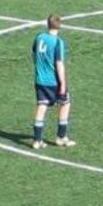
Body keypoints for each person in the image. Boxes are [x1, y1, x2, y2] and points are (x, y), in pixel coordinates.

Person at [31, 14, 73, 150]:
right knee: (65, 103)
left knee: (41, 106)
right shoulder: (58, 42)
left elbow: (34, 55)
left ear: (48, 24)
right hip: (53, 81)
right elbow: (59, 64)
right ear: (59, 25)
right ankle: (61, 137)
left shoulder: (39, 37)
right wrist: (63, 83)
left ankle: (37, 140)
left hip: (39, 80)